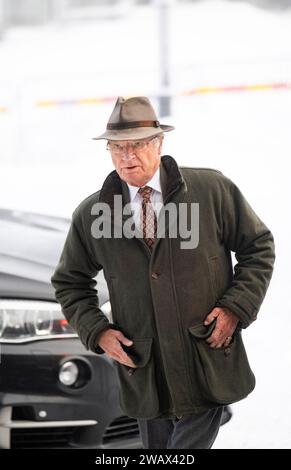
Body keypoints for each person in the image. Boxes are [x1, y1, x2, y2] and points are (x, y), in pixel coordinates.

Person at [51, 96, 275, 449]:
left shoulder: (211, 190)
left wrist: (235, 308)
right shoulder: (93, 213)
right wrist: (97, 331)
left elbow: (258, 246)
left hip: (204, 354)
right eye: (117, 148)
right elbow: (69, 282)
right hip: (144, 366)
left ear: (159, 143)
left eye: (138, 145)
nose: (127, 157)